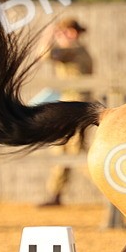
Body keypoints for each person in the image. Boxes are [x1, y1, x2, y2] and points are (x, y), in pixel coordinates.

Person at [38, 17, 94, 207]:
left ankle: (111, 185)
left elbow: (44, 55)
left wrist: (49, 35)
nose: (63, 35)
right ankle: (56, 194)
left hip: (73, 107)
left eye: (65, 32)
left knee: (76, 153)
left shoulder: (74, 50)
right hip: (71, 106)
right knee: (63, 149)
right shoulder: (79, 51)